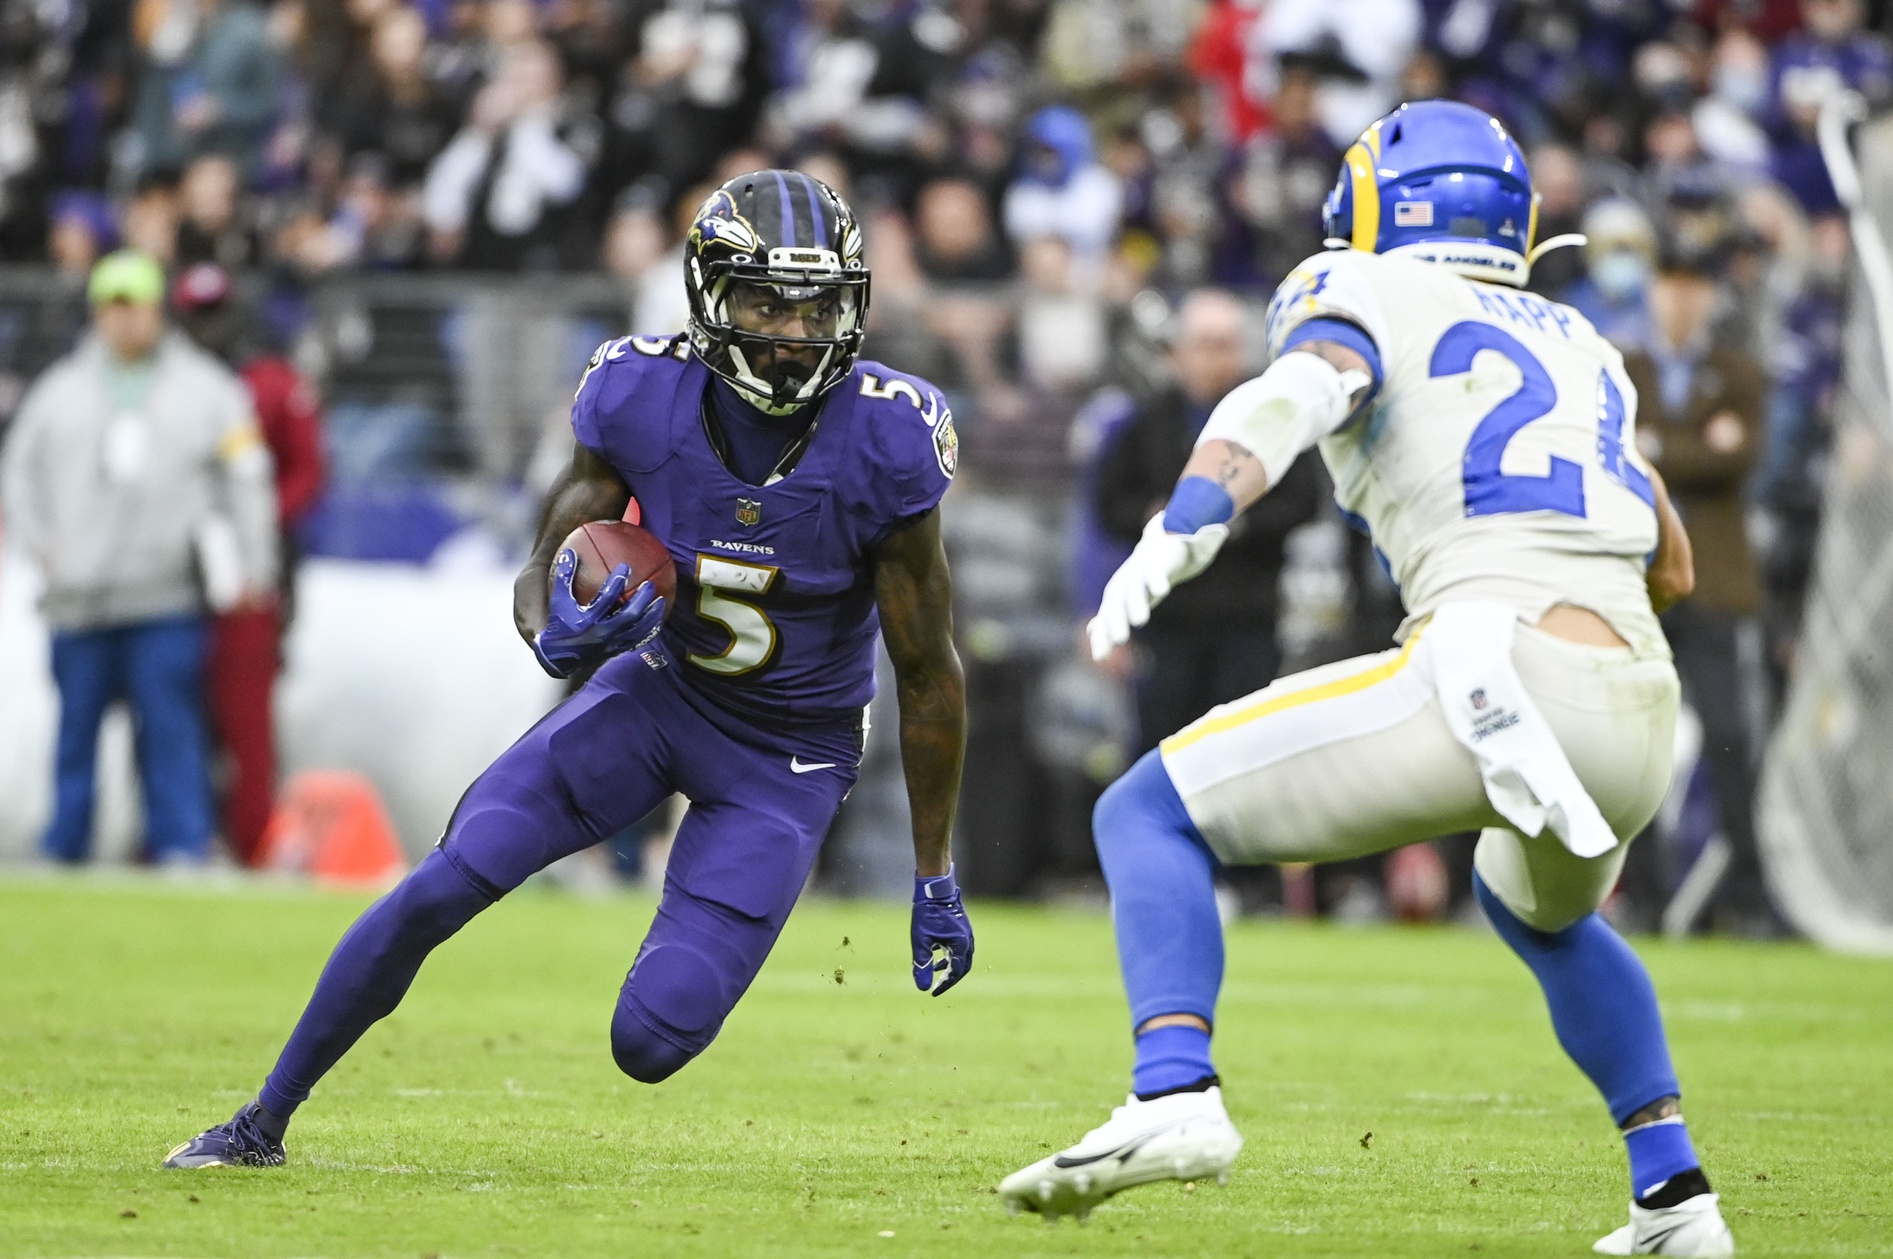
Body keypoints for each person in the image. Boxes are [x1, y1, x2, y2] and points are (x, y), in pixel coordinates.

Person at [1000, 103, 1736, 1257]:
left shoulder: (1361, 288)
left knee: (1143, 809)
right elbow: (1674, 558)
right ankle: (1675, 1198)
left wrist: (1190, 516)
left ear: (1379, 204)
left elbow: (1295, 392)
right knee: (1536, 909)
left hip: (1493, 664)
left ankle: (1173, 1089)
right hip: (1636, 690)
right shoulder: (1579, 340)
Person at [164, 171, 973, 1168]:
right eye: (767, 298)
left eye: (818, 303)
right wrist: (556, 632)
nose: (796, 328)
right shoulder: (641, 391)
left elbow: (929, 669)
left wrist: (935, 872)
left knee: (652, 1038)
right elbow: (544, 558)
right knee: (439, 885)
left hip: (790, 753)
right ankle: (258, 1123)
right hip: (660, 695)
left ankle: (678, 929)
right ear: (711, 296)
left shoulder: (887, 434)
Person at [0, 250, 277, 865]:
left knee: (171, 729)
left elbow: (246, 477)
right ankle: (64, 846)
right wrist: (39, 542)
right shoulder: (59, 390)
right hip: (77, 595)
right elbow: (19, 472)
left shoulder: (209, 390)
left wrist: (253, 562)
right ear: (98, 312)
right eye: (113, 307)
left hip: (165, 594)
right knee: (74, 734)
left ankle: (181, 845)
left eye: (137, 307)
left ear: (159, 310)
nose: (125, 321)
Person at [1621, 234, 1776, 935]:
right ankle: (1646, 892)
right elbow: (1620, 456)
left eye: (1692, 284)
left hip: (1712, 582)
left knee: (1729, 735)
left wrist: (1655, 447)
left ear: (1708, 295)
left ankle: (1745, 890)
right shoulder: (1623, 368)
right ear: (1653, 290)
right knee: (1634, 741)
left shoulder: (1736, 370)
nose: (1679, 298)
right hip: (1641, 580)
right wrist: (1688, 449)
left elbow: (1737, 458)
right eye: (1669, 283)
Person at [1094, 289, 1322, 754]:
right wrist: (1156, 517)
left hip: (1247, 613)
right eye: (1205, 344)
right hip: (1171, 619)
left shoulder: (1270, 417)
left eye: (1226, 344)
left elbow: (1303, 499)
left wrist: (1236, 521)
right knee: (1163, 744)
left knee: (1242, 748)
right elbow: (1108, 503)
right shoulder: (1147, 423)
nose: (1217, 359)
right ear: (1178, 351)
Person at [171, 262, 327, 865]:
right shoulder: (172, 383)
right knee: (175, 708)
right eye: (197, 313)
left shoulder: (270, 382)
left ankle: (251, 833)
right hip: (175, 568)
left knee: (246, 711)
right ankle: (184, 831)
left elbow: (308, 470)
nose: (209, 326)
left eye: (216, 311)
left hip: (253, 570)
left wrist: (249, 527)